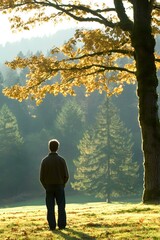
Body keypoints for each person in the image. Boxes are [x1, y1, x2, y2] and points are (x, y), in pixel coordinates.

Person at [40, 139, 69, 230]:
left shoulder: (45, 161)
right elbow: (66, 175)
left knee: (50, 207)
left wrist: (46, 186)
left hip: (49, 187)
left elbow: (41, 177)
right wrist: (62, 184)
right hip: (60, 186)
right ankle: (62, 225)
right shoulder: (61, 160)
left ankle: (52, 226)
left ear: (49, 148)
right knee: (61, 206)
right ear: (57, 148)